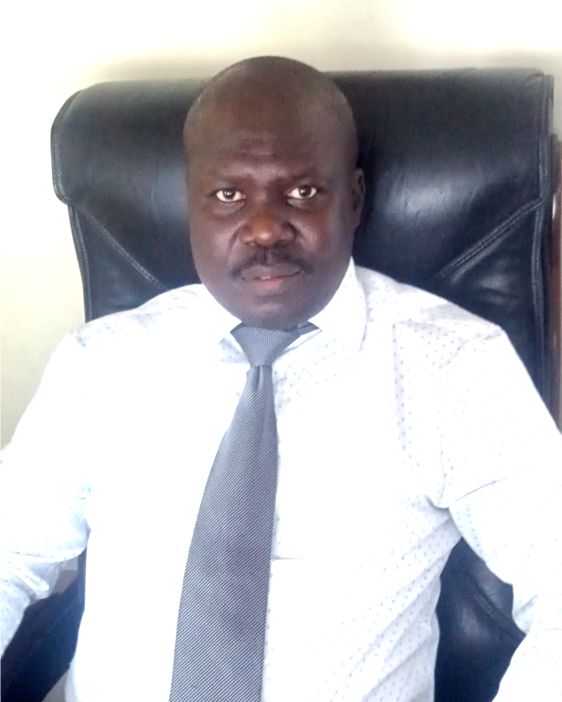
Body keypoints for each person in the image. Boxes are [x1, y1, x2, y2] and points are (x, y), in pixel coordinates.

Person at [1, 56, 562, 701]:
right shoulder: (102, 364)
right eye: (228, 195)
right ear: (189, 203)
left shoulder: (453, 367)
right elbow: (9, 552)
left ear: (354, 199)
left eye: (302, 192)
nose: (266, 228)